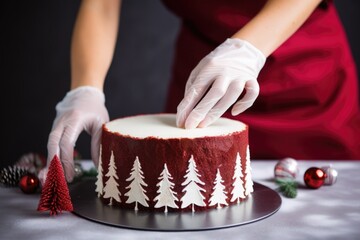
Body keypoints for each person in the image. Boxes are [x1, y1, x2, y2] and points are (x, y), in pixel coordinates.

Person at [44, 0, 360, 183]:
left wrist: (247, 49)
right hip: (203, 78)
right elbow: (101, 5)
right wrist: (85, 87)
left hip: (305, 72)